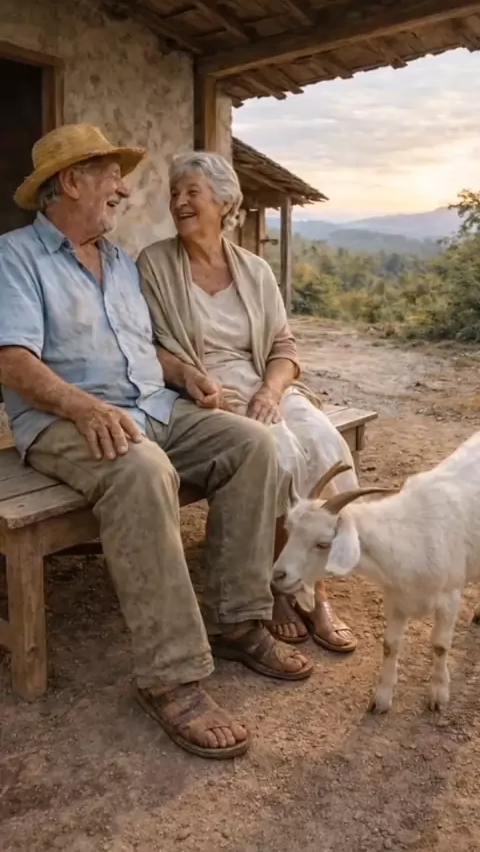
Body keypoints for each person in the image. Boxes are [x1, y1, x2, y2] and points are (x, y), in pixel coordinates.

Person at [0, 124, 313, 761]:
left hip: (153, 406)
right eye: (112, 177)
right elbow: (12, 359)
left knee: (253, 444)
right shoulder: (16, 256)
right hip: (65, 420)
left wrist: (185, 374)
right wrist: (82, 405)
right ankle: (170, 676)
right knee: (142, 471)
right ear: (71, 183)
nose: (123, 190)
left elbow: (144, 348)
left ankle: (236, 618)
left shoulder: (118, 261)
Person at [137, 151, 359, 653]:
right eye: (175, 193)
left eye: (192, 192)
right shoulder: (155, 264)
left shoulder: (255, 270)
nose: (179, 202)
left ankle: (316, 588)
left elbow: (284, 347)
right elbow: (142, 344)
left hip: (263, 384)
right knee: (277, 453)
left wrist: (271, 391)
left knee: (326, 444)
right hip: (204, 392)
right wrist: (190, 376)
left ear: (224, 202)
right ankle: (275, 585)